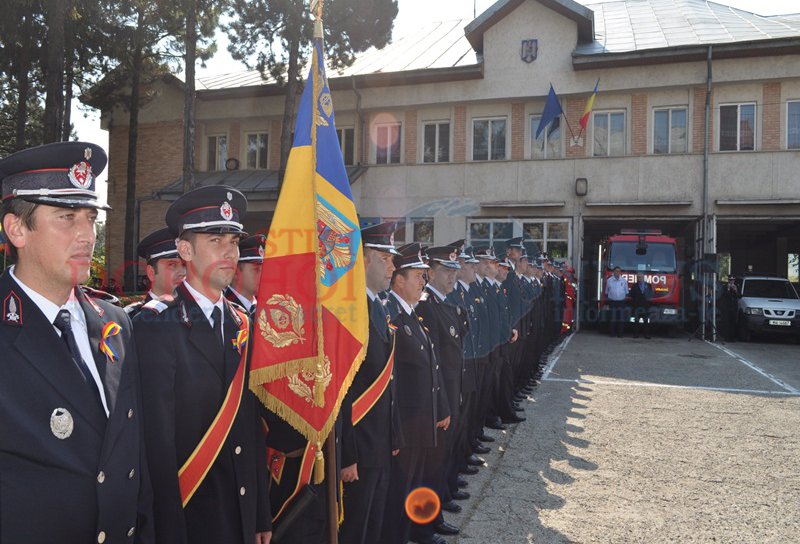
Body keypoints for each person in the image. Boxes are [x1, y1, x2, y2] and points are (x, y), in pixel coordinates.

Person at [0, 141, 154, 543]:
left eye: (90, 218)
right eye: (67, 217)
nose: (87, 235)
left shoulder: (115, 322)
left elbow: (131, 458)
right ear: (16, 228)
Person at [132, 185, 271, 544]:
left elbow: (250, 427)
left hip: (239, 509)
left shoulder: (243, 323)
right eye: (215, 240)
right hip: (191, 514)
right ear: (185, 250)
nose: (229, 252)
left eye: (234, 242)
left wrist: (259, 514)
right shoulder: (155, 326)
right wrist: (167, 530)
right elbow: (155, 447)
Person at [381, 243, 450, 544]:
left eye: (424, 275)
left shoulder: (412, 316)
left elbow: (432, 370)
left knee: (414, 485)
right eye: (418, 276)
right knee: (399, 493)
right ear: (399, 280)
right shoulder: (392, 317)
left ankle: (415, 533)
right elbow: (391, 382)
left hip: (420, 422)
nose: (424, 281)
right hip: (405, 426)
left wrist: (441, 409)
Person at [339, 222, 403, 544]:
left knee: (373, 525)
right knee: (355, 530)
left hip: (379, 442)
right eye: (385, 259)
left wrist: (393, 434)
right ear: (363, 259)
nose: (392, 267)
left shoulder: (379, 305)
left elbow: (387, 383)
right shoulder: (349, 311)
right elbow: (342, 391)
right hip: (360, 450)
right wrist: (346, 455)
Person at [125, 227, 186, 317]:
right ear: (151, 273)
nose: (183, 272)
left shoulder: (202, 314)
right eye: (172, 264)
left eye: (186, 265)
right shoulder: (130, 318)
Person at [225, 233, 265, 316]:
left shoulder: (267, 306)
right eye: (256, 270)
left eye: (264, 270)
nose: (263, 276)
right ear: (235, 271)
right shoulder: (224, 308)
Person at [605, 266, 629, 337]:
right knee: (612, 319)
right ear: (613, 272)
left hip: (621, 302)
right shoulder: (609, 280)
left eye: (618, 271)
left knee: (621, 319)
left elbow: (626, 291)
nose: (617, 272)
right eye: (616, 271)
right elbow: (607, 291)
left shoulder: (624, 280)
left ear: (620, 272)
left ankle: (620, 334)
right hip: (612, 302)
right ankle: (612, 333)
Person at [629, 273, 652, 339]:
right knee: (636, 321)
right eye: (638, 277)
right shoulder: (634, 286)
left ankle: (647, 335)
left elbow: (650, 294)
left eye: (641, 277)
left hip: (646, 306)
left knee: (646, 321)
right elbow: (631, 295)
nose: (639, 278)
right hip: (637, 306)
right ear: (636, 278)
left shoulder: (648, 285)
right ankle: (636, 334)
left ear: (644, 277)